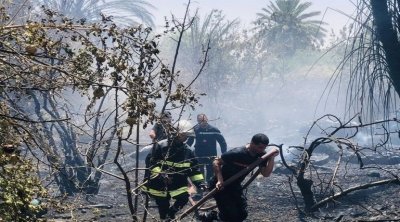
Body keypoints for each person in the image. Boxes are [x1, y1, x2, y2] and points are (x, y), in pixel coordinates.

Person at [198, 133, 279, 222]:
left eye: (264, 148)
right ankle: (210, 217)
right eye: (259, 147)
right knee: (230, 215)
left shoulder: (261, 155)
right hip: (221, 186)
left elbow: (266, 173)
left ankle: (212, 216)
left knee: (242, 214)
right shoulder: (237, 152)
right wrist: (219, 180)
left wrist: (271, 158)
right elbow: (216, 162)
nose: (261, 150)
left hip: (235, 185)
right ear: (252, 143)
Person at [142, 120, 205, 221]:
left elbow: (194, 170)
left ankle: (171, 213)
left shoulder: (188, 151)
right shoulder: (161, 146)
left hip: (177, 183)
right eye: (184, 135)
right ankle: (165, 218)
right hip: (159, 184)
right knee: (163, 206)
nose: (186, 138)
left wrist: (200, 183)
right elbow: (151, 163)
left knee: (184, 198)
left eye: (187, 135)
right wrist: (161, 175)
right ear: (176, 133)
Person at [187, 114, 227, 181]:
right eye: (200, 121)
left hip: (211, 154)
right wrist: (185, 152)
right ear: (197, 121)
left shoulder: (214, 129)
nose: (202, 122)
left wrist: (224, 155)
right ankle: (200, 186)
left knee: (210, 172)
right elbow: (190, 141)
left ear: (207, 120)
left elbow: (222, 143)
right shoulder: (195, 129)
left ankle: (209, 186)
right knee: (198, 171)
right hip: (198, 155)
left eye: (203, 120)